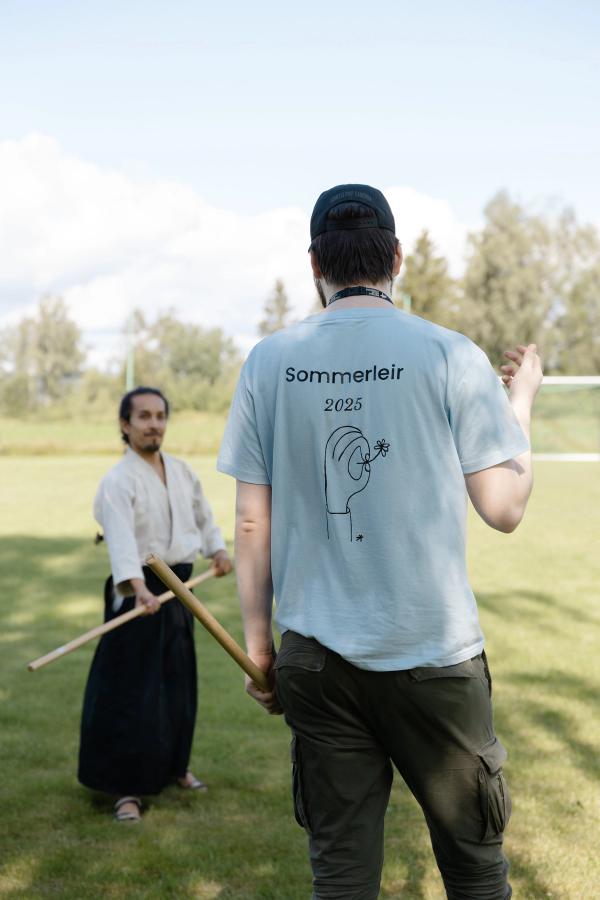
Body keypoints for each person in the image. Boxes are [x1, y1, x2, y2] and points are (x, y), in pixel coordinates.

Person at [217, 184, 543, 899]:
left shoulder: (269, 361)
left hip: (316, 661)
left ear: (314, 265)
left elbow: (249, 521)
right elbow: (505, 507)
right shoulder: (449, 353)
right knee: (475, 869)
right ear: (395, 256)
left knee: (341, 874)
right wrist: (521, 401)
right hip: (433, 656)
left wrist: (260, 648)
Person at [78, 386, 232, 822]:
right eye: (143, 416)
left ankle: (175, 767)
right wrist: (137, 589)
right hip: (139, 591)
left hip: (180, 588)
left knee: (177, 683)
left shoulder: (182, 471)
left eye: (160, 415)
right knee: (132, 691)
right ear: (125, 426)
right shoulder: (118, 480)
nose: (154, 424)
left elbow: (203, 517)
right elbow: (122, 541)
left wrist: (217, 550)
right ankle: (125, 789)